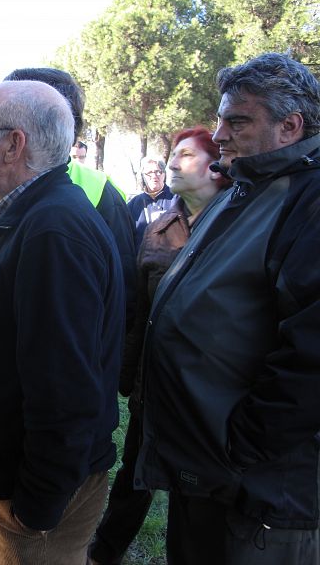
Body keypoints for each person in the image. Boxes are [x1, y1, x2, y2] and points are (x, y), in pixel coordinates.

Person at [0, 66, 136, 564]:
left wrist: (39, 501)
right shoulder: (17, 211)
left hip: (30, 497)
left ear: (13, 144)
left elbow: (65, 385)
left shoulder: (53, 231)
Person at [135, 53, 320, 565]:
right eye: (219, 119)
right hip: (206, 470)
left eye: (236, 121)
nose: (218, 134)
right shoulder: (244, 190)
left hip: (260, 491)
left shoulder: (309, 201)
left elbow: (310, 359)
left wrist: (240, 447)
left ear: (290, 126)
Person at [88, 127, 231, 565]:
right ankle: (105, 550)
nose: (172, 162)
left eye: (186, 155)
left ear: (215, 168)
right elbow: (139, 311)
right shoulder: (160, 228)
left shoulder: (236, 226)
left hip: (208, 390)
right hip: (155, 383)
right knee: (135, 469)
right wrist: (128, 376)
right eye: (172, 153)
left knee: (198, 489)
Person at [126, 154, 176, 249]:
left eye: (158, 172)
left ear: (164, 174)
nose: (154, 176)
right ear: (143, 176)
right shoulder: (133, 205)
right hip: (142, 261)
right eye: (149, 172)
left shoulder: (176, 198)